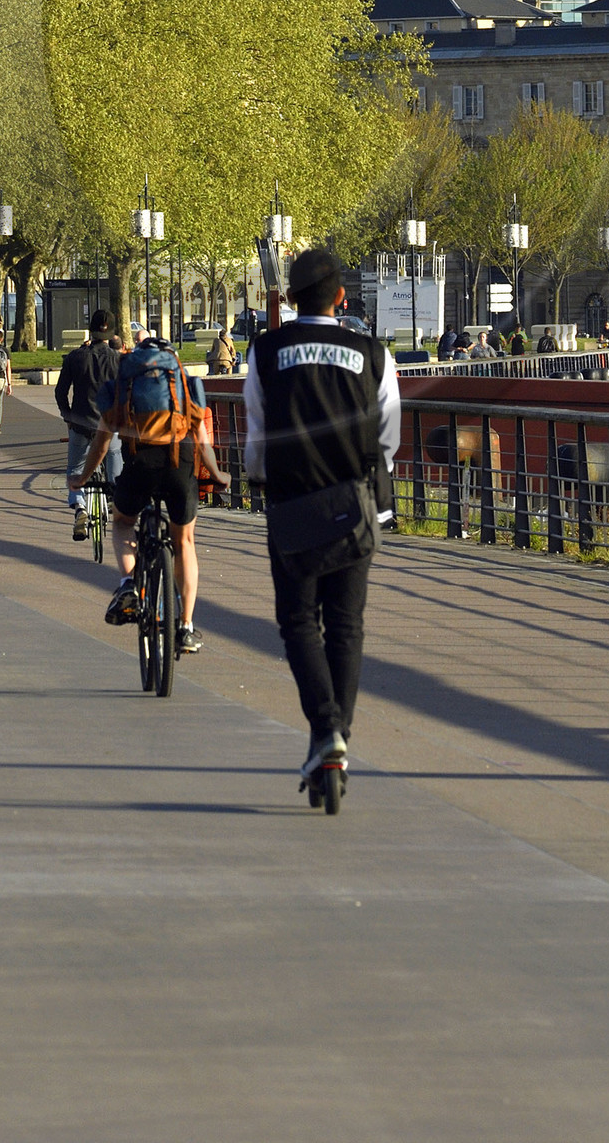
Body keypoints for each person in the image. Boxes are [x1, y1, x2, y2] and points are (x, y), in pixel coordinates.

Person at [243, 248, 400, 791]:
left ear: (288, 299)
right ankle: (336, 739)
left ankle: (326, 730)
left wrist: (258, 479)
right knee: (347, 624)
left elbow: (257, 434)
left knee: (298, 622)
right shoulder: (372, 352)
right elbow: (388, 434)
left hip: (291, 505)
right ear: (341, 298)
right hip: (352, 506)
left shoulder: (266, 352)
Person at [77, 331, 227, 656]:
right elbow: (202, 439)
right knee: (184, 541)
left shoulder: (124, 381)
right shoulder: (184, 381)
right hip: (179, 464)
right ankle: (186, 627)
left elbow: (103, 440)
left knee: (122, 521)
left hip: (140, 463)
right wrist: (217, 475)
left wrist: (83, 477)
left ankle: (129, 582)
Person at [58, 310, 120, 541]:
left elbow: (60, 392)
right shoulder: (117, 359)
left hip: (81, 422)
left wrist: (68, 416)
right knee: (115, 455)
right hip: (109, 424)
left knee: (75, 470)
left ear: (90, 329)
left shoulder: (74, 357)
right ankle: (114, 493)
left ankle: (80, 505)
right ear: (111, 332)